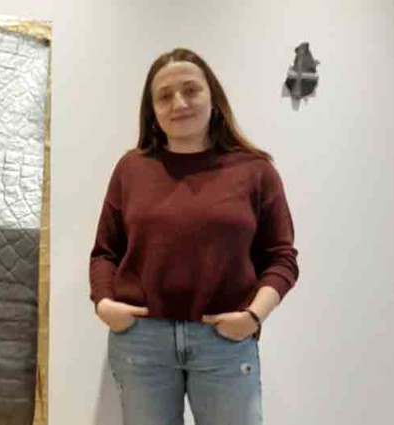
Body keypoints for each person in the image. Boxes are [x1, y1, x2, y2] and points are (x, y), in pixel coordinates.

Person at [88, 48, 299, 425]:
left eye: (190, 90)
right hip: (142, 341)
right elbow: (105, 251)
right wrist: (104, 304)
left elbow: (281, 257)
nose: (179, 103)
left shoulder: (255, 170)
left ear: (213, 98)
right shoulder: (131, 169)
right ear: (152, 110)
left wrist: (253, 315)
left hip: (223, 341)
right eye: (164, 96)